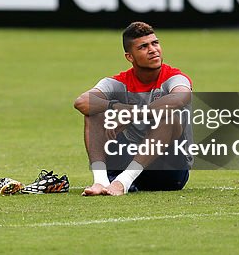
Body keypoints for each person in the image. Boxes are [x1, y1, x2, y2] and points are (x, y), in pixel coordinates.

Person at [74, 22, 193, 196]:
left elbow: (180, 98)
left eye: (155, 43)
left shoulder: (174, 77)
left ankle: (123, 182)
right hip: (126, 158)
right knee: (94, 111)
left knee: (170, 118)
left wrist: (132, 114)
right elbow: (81, 101)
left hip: (167, 171)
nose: (153, 50)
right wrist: (116, 106)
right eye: (144, 47)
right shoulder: (119, 82)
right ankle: (100, 181)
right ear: (130, 57)